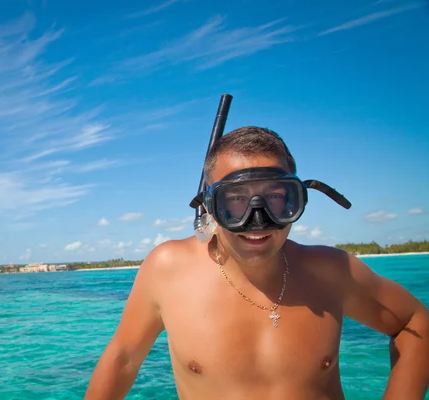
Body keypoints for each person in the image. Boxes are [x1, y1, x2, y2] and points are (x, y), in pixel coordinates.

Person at [84, 126, 429, 400]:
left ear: (297, 199)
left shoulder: (331, 271)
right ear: (207, 207)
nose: (257, 219)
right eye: (234, 200)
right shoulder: (168, 269)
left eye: (277, 198)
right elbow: (124, 358)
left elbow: (417, 324)